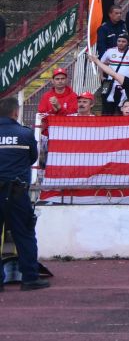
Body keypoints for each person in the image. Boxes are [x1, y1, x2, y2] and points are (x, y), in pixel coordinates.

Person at [0, 96, 50, 290]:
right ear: (15, 112)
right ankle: (29, 277)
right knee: (24, 233)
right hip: (16, 192)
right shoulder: (26, 134)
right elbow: (31, 158)